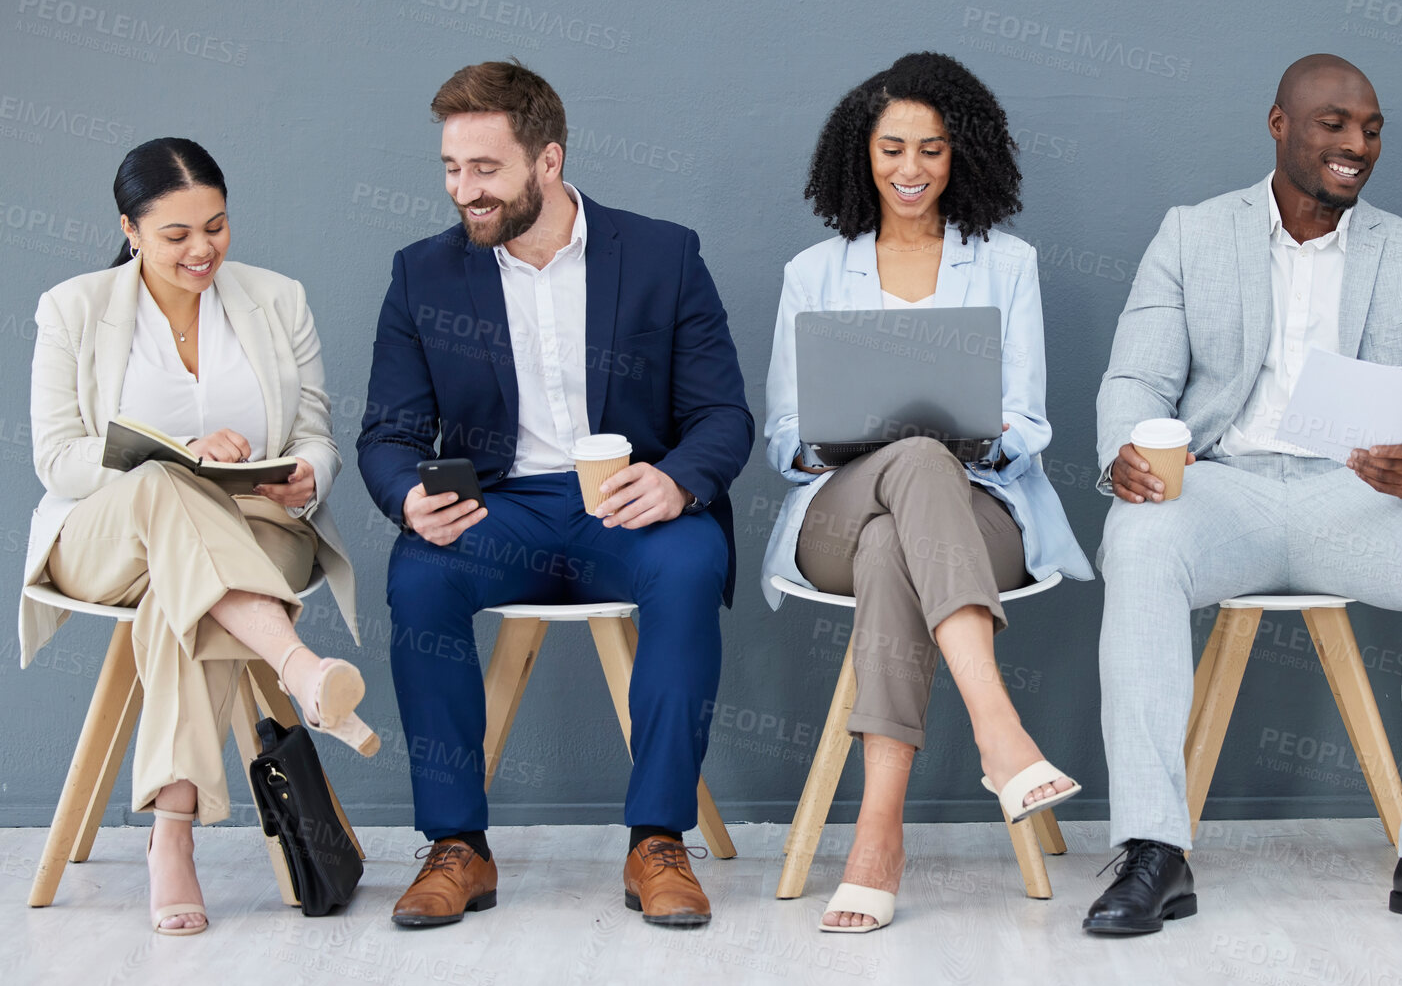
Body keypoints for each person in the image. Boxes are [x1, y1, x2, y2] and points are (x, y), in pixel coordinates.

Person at [1088, 55, 1402, 936]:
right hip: (1226, 489)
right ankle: (1151, 849)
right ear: (1279, 124)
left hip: (1353, 498)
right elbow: (1134, 374)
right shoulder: (1191, 234)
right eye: (1333, 124)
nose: (1356, 144)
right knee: (1136, 542)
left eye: (1370, 128)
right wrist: (1125, 449)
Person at [358, 60, 752, 929]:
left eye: (486, 169)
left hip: (627, 507)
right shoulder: (422, 275)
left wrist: (679, 480)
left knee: (689, 567)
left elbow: (723, 415)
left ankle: (658, 839)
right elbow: (388, 434)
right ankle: (457, 845)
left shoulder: (662, 254)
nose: (466, 191)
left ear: (547, 160)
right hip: (501, 509)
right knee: (419, 576)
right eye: (452, 170)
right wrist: (407, 497)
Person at [762, 52, 1092, 933]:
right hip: (833, 510)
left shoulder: (1007, 264)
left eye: (933, 151)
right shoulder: (813, 273)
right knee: (904, 464)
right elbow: (782, 438)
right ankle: (999, 729)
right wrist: (844, 440)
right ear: (859, 155)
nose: (911, 171)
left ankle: (876, 836)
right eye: (892, 149)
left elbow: (1029, 421)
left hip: (977, 512)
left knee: (897, 532)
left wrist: (972, 437)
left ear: (963, 157)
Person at [24, 137, 369, 936]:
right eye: (177, 234)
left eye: (215, 226)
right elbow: (57, 456)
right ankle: (300, 664)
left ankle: (170, 837)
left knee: (185, 603)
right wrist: (174, 461)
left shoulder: (277, 300)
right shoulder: (73, 308)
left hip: (259, 527)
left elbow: (317, 433)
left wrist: (309, 474)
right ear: (131, 228)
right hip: (108, 534)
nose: (202, 249)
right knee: (162, 487)